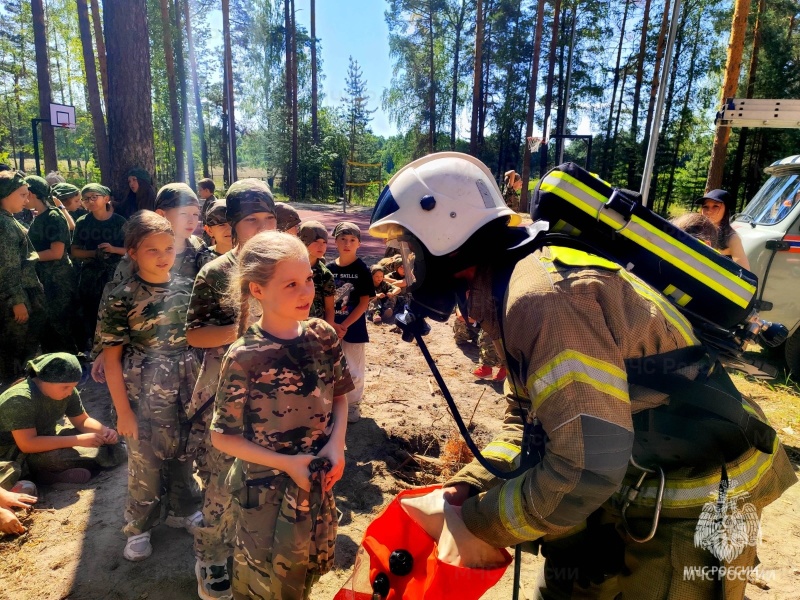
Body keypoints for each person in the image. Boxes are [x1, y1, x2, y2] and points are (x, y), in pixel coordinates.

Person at [368, 152, 796, 600]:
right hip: (624, 494)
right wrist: (470, 486)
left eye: (411, 249)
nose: (410, 266)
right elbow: (530, 416)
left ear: (445, 236)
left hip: (690, 512)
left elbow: (585, 470)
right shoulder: (511, 284)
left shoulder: (543, 300)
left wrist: (478, 524)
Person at [210, 231, 353, 600]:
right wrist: (288, 464)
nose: (306, 292)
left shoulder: (322, 335)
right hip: (265, 491)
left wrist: (337, 447)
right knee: (261, 580)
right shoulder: (245, 355)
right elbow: (222, 436)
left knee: (305, 572)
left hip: (316, 483)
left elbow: (339, 396)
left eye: (308, 279)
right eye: (291, 284)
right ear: (257, 290)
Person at [185, 179, 277, 599]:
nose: (261, 227)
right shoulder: (216, 272)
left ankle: (251, 549)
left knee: (262, 480)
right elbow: (195, 336)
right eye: (251, 220)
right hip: (224, 394)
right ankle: (212, 558)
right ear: (233, 226)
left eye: (269, 219)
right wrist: (240, 331)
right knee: (220, 482)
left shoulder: (285, 266)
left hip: (275, 397)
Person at [100, 211, 202, 562]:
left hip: (186, 385)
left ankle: (182, 509)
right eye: (152, 250)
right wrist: (124, 413)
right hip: (141, 392)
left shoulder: (187, 289)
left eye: (169, 249)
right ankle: (139, 527)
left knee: (184, 450)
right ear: (132, 253)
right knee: (145, 461)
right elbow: (112, 360)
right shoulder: (122, 296)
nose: (163, 257)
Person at [0, 353, 123, 489]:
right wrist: (77, 440)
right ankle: (43, 475)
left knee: (102, 443)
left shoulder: (66, 390)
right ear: (44, 381)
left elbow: (82, 421)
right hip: (13, 454)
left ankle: (49, 475)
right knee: (56, 457)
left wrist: (106, 432)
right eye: (65, 387)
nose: (70, 392)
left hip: (45, 437)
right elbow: (27, 444)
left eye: (73, 386)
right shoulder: (19, 399)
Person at [24, 176, 79, 354]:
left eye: (24, 194)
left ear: (31, 194)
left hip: (58, 281)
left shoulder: (53, 216)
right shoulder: (40, 216)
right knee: (50, 329)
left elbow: (57, 252)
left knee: (61, 327)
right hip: (46, 280)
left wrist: (28, 257)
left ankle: (73, 366)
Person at [327, 222, 375, 423]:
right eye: (343, 239)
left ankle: (353, 405)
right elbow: (325, 301)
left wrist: (345, 324)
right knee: (330, 368)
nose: (347, 244)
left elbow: (364, 302)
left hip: (353, 329)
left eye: (352, 240)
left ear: (359, 243)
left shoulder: (362, 269)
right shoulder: (328, 269)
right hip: (330, 327)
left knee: (353, 368)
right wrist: (332, 325)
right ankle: (331, 404)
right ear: (336, 241)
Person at [0, 171, 45, 386]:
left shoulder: (8, 220)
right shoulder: (5, 225)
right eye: (22, 195)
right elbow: (8, 268)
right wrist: (17, 300)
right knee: (14, 352)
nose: (26, 200)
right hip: (13, 299)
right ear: (5, 194)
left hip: (16, 295)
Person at [70, 184, 126, 350]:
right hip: (90, 278)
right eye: (86, 198)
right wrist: (94, 253)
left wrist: (113, 249)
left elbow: (131, 250)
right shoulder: (82, 222)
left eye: (95, 197)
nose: (90, 201)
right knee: (91, 313)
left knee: (115, 313)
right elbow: (74, 251)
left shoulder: (119, 222)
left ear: (106, 198)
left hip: (115, 277)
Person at [696, 189, 750, 269]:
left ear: (726, 210)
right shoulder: (696, 230)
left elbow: (744, 273)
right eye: (705, 207)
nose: (709, 211)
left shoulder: (732, 238)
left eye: (716, 206)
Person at [298, 220, 336, 327]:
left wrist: (328, 330)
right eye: (316, 242)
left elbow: (329, 308)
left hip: (314, 328)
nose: (321, 246)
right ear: (303, 241)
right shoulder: (289, 267)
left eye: (324, 242)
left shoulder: (325, 274)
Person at [198, 178, 217, 246]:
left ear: (206, 190)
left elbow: (213, 221)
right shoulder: (208, 201)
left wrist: (213, 238)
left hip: (211, 236)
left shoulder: (211, 203)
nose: (199, 192)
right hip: (208, 234)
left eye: (200, 190)